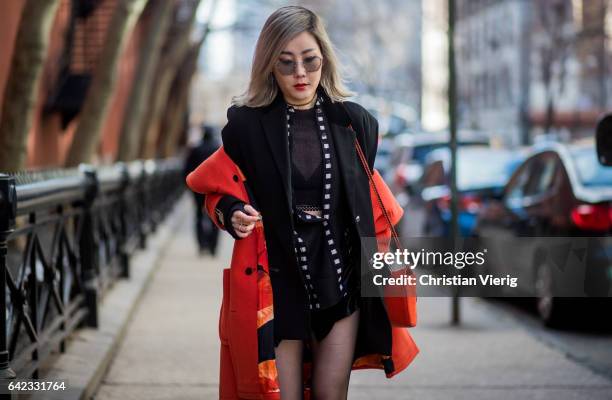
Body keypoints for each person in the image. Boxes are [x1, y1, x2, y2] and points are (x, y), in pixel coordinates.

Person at [186, 6, 418, 399]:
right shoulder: (246, 126)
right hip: (277, 288)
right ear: (269, 65)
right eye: (287, 62)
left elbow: (371, 202)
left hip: (341, 286)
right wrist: (229, 213)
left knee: (331, 394)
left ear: (323, 60)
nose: (300, 74)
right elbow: (214, 188)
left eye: (310, 61)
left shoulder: (356, 124)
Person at [183, 124, 220, 255]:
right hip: (215, 190)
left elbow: (187, 170)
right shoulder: (217, 149)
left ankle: (201, 245)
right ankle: (213, 246)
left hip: (198, 189)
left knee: (198, 216)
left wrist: (188, 186)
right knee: (215, 218)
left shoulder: (196, 149)